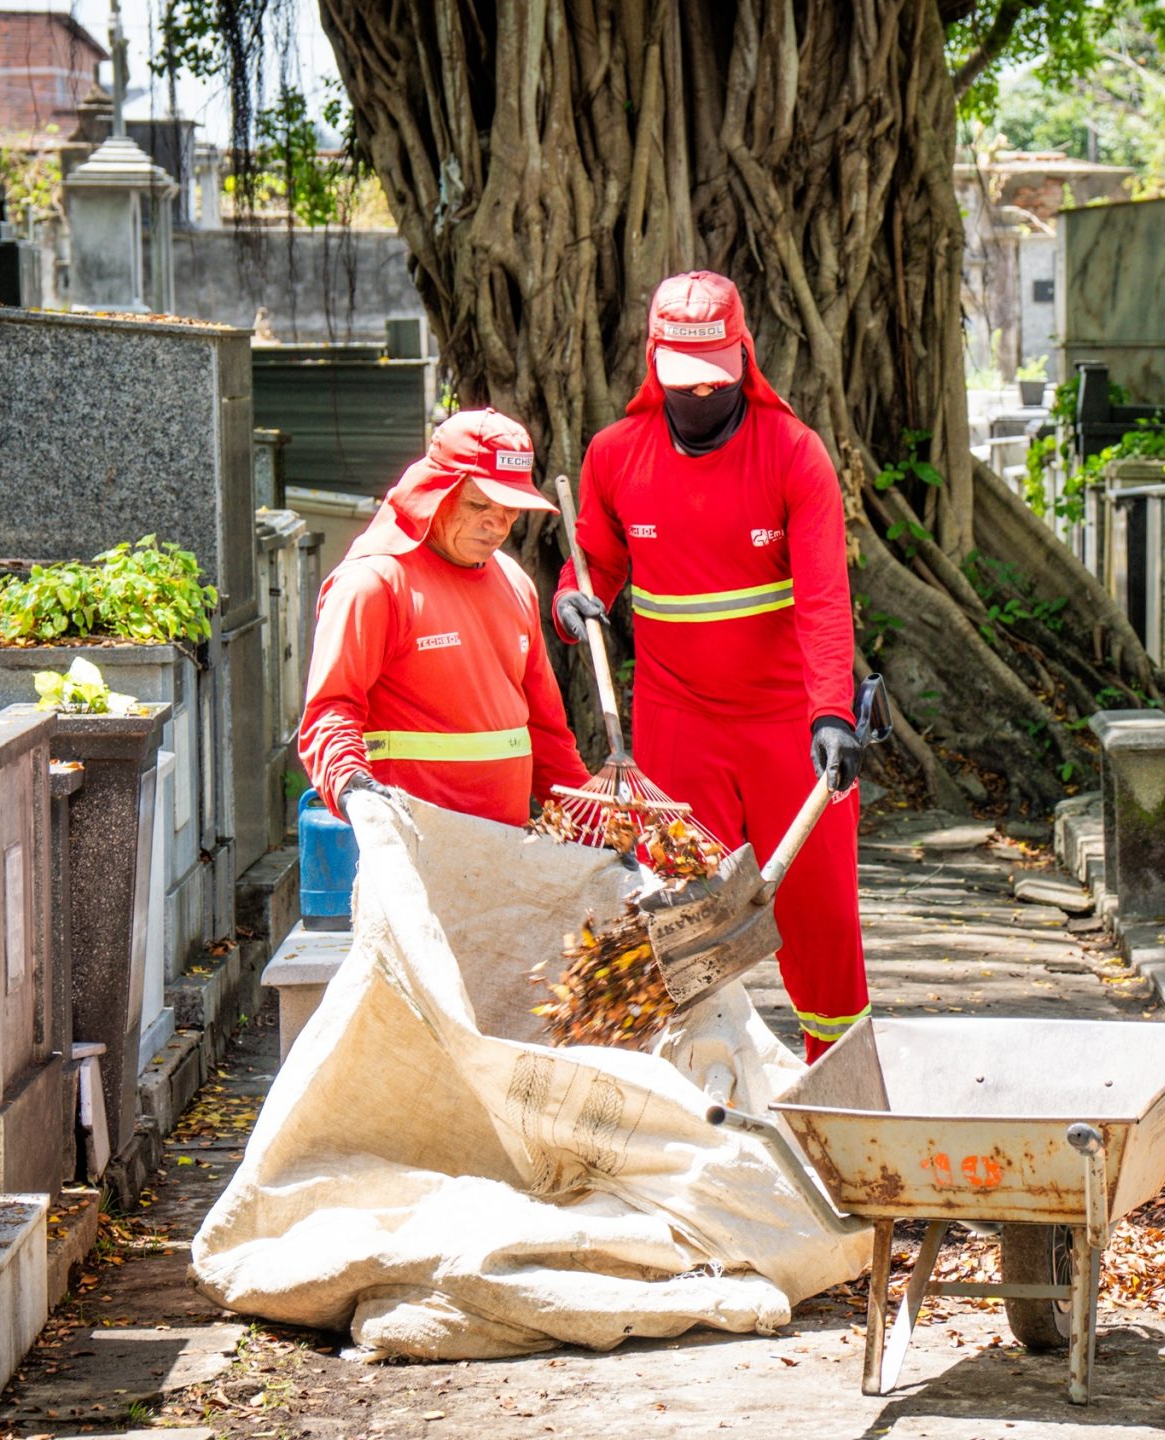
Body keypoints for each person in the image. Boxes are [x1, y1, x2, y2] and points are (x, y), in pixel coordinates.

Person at [554, 270, 867, 1059]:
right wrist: (571, 599)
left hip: (788, 727)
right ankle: (685, 1089)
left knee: (822, 922)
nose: (696, 400)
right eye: (680, 385)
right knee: (682, 922)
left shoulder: (794, 454)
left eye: (712, 383)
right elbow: (593, 559)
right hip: (675, 722)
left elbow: (825, 598)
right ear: (654, 362)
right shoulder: (614, 454)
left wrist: (832, 712)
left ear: (743, 360)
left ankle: (840, 1089)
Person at [300, 409, 589, 827]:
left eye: (512, 509)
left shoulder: (514, 582)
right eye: (479, 504)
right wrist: (350, 785)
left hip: (506, 853)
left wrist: (597, 828)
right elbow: (330, 709)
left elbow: (548, 738)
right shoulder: (374, 584)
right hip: (410, 856)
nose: (498, 525)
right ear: (435, 490)